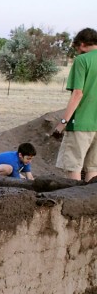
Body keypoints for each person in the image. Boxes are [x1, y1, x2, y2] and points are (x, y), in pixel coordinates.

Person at [53, 27, 97, 182]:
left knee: (74, 168)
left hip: (81, 123)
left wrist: (62, 123)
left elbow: (77, 94)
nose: (78, 52)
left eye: (78, 48)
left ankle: (74, 204)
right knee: (93, 169)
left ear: (82, 44)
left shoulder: (82, 60)